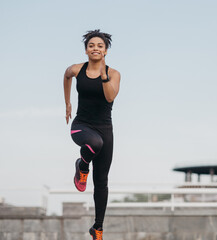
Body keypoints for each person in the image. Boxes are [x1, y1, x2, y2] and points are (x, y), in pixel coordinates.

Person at [63, 29, 121, 240]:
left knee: (102, 181)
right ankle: (82, 165)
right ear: (86, 50)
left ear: (105, 51)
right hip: (81, 126)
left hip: (105, 128)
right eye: (91, 46)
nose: (95, 48)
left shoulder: (114, 74)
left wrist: (104, 76)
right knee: (94, 143)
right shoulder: (78, 69)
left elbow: (109, 97)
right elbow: (66, 75)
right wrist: (67, 102)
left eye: (100, 46)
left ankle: (97, 228)